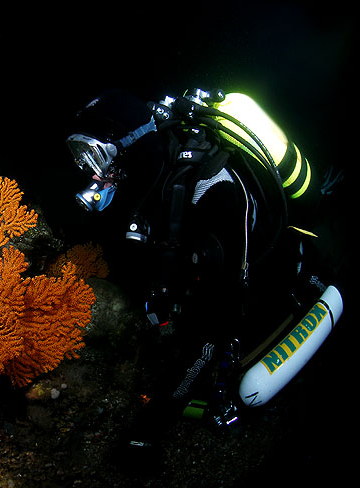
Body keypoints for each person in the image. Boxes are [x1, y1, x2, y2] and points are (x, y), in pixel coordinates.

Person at [65, 87, 344, 460]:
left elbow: (216, 332)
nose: (94, 174)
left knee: (243, 384)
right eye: (82, 156)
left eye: (97, 155)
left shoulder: (215, 191)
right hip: (216, 265)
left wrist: (149, 430)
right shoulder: (152, 173)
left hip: (277, 269)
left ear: (132, 143)